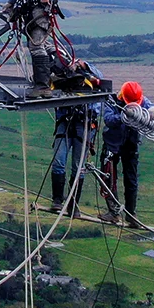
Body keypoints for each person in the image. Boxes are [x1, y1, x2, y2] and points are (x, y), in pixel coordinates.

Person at [99, 81, 154, 228]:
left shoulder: (142, 101)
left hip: (131, 144)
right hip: (112, 145)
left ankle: (131, 214)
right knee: (108, 177)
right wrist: (125, 116)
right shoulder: (112, 101)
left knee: (131, 180)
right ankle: (114, 212)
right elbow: (109, 120)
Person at [48, 87, 99, 217]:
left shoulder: (89, 73)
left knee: (78, 167)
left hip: (84, 124)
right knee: (58, 160)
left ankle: (73, 204)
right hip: (65, 121)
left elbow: (98, 80)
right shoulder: (62, 76)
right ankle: (57, 200)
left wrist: (82, 65)